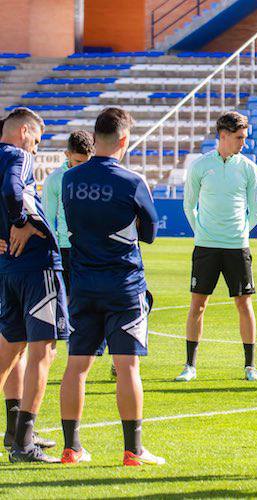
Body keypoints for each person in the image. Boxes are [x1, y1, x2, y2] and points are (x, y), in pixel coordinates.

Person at [58, 107, 163, 466]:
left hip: (83, 283)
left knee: (76, 365)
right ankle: (133, 451)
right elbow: (149, 233)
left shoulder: (70, 179)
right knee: (128, 366)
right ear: (123, 140)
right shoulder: (132, 181)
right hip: (123, 284)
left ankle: (71, 448)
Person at [0, 107, 69, 463]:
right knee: (43, 350)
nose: (37, 149)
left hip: (7, 268)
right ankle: (23, 444)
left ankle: (15, 430)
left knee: (12, 349)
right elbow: (14, 190)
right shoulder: (18, 156)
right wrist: (22, 221)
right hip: (35, 266)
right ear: (25, 131)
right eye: (38, 140)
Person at [176, 111, 257, 383]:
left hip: (237, 247)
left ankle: (250, 367)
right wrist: (202, 231)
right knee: (198, 305)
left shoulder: (249, 168)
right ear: (223, 136)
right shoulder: (201, 166)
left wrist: (238, 234)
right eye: (239, 138)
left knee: (244, 304)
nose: (243, 143)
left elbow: (256, 211)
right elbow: (188, 205)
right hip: (206, 247)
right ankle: (190, 365)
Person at [42, 130, 94, 295]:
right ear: (67, 154)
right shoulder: (55, 179)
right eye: (78, 161)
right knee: (68, 300)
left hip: (90, 248)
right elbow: (48, 219)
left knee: (89, 300)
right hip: (66, 249)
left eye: (86, 162)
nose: (82, 166)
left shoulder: (94, 176)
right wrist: (52, 251)